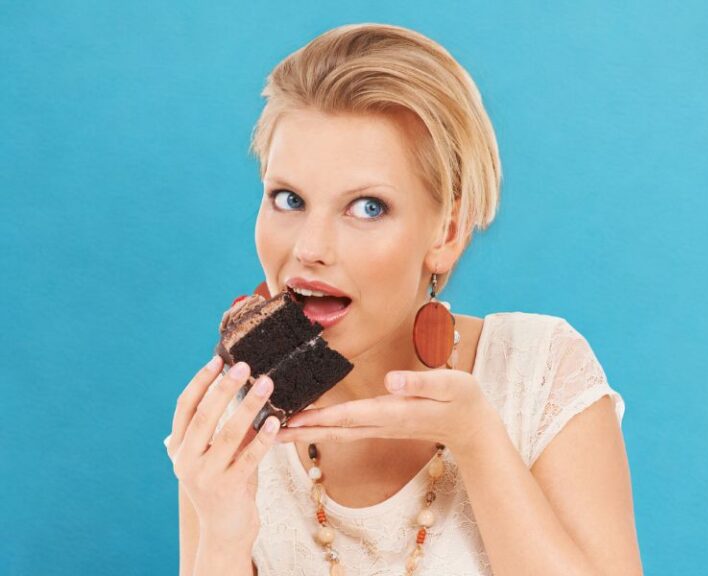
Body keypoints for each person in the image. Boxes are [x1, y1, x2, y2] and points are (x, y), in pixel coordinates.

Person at [163, 23, 643, 576]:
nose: (308, 248)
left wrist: (476, 441)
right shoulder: (230, 427)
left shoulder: (540, 373)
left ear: (447, 234)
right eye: (288, 198)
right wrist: (221, 536)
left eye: (367, 207)